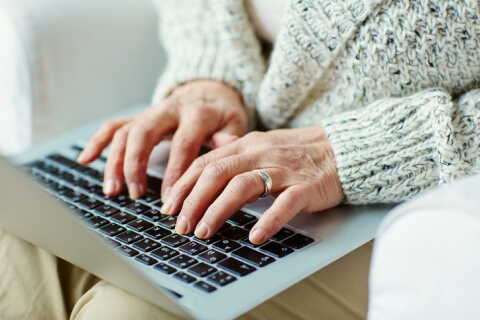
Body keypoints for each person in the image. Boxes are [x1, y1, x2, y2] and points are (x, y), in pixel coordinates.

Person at [1, 0, 479, 319]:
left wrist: (358, 151)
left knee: (132, 312)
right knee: (16, 240)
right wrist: (210, 74)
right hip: (237, 144)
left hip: (422, 203)